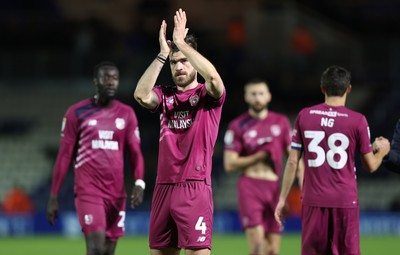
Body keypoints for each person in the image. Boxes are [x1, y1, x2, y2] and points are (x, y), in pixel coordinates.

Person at [134, 9, 225, 255]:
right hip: (163, 187)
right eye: (175, 63)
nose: (179, 67)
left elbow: (214, 79)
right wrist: (163, 55)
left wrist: (183, 45)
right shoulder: (165, 95)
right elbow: (141, 95)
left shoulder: (207, 96)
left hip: (194, 187)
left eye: (184, 61)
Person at [274, 65, 390, 255]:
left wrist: (282, 199)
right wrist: (382, 151)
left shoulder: (304, 116)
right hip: (345, 201)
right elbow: (370, 165)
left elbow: (293, 162)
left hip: (313, 201)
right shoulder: (357, 120)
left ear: (322, 88)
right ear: (349, 89)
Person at [47, 61, 145, 255]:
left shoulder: (127, 114)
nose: (111, 82)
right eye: (106, 78)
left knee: (107, 252)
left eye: (115, 78)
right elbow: (65, 154)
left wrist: (139, 183)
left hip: (117, 194)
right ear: (95, 81)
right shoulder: (77, 113)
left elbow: (135, 153)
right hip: (88, 191)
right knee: (95, 247)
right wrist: (53, 195)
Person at [223, 79, 303, 255]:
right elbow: (229, 164)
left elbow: (294, 157)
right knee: (258, 248)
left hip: (275, 188)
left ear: (268, 97)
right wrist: (258, 156)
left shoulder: (280, 122)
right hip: (250, 186)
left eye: (261, 93)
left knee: (273, 250)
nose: (257, 98)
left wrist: (300, 184)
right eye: (253, 94)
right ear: (246, 97)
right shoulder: (237, 125)